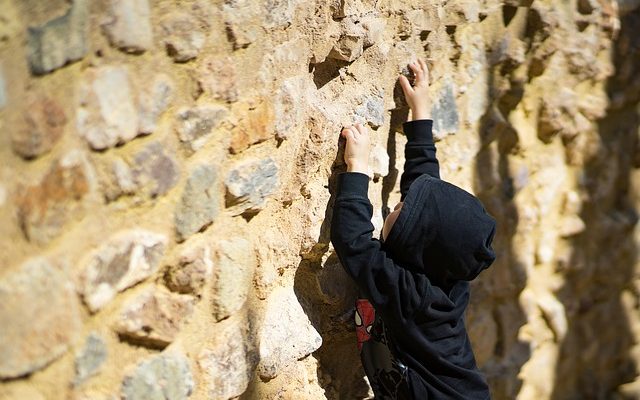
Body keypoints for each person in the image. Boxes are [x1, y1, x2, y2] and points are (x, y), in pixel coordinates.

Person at [330, 58, 497, 399]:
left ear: (417, 245)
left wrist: (356, 168)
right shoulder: (443, 268)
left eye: (403, 210)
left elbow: (354, 243)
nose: (398, 204)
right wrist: (420, 113)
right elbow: (425, 183)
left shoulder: (412, 297)